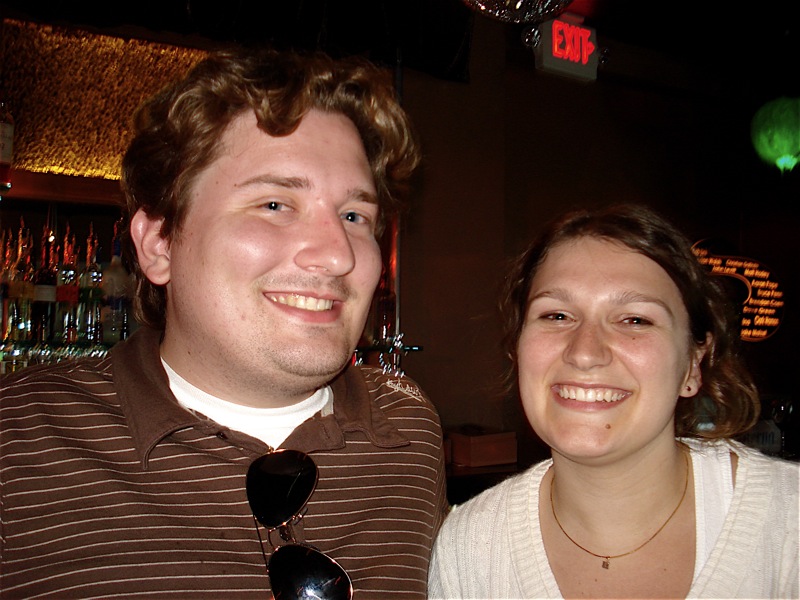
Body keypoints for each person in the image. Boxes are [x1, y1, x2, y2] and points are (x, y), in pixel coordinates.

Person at [1, 47, 448, 598]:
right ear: (159, 243)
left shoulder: (410, 434)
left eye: (355, 216)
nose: (339, 256)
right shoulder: (19, 440)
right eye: (276, 205)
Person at [429, 203, 799, 599]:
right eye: (556, 315)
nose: (584, 352)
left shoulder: (788, 525)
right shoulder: (468, 550)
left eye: (635, 319)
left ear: (694, 363)